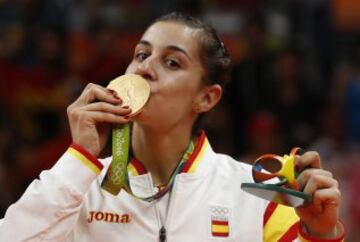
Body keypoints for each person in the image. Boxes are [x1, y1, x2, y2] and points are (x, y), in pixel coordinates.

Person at [0, 12, 344, 242]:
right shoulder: (80, 188)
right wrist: (79, 159)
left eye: (172, 61)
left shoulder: (255, 195)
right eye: (140, 54)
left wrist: (321, 234)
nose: (146, 68)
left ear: (207, 98)